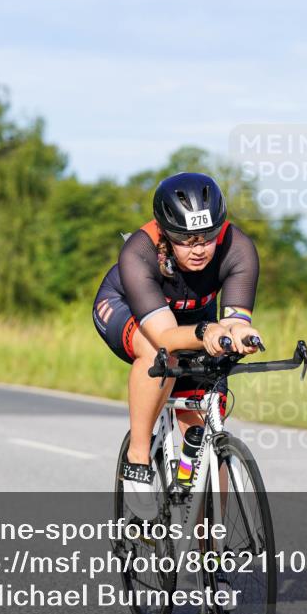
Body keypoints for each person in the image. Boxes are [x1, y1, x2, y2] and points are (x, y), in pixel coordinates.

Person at [93, 172, 262, 519]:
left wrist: (241, 333)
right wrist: (207, 332)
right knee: (160, 353)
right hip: (127, 309)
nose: (199, 248)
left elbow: (234, 320)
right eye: (186, 239)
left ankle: (211, 552)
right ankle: (138, 460)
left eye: (208, 237)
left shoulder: (238, 248)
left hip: (196, 317)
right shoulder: (139, 252)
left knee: (204, 429)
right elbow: (167, 336)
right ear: (166, 235)